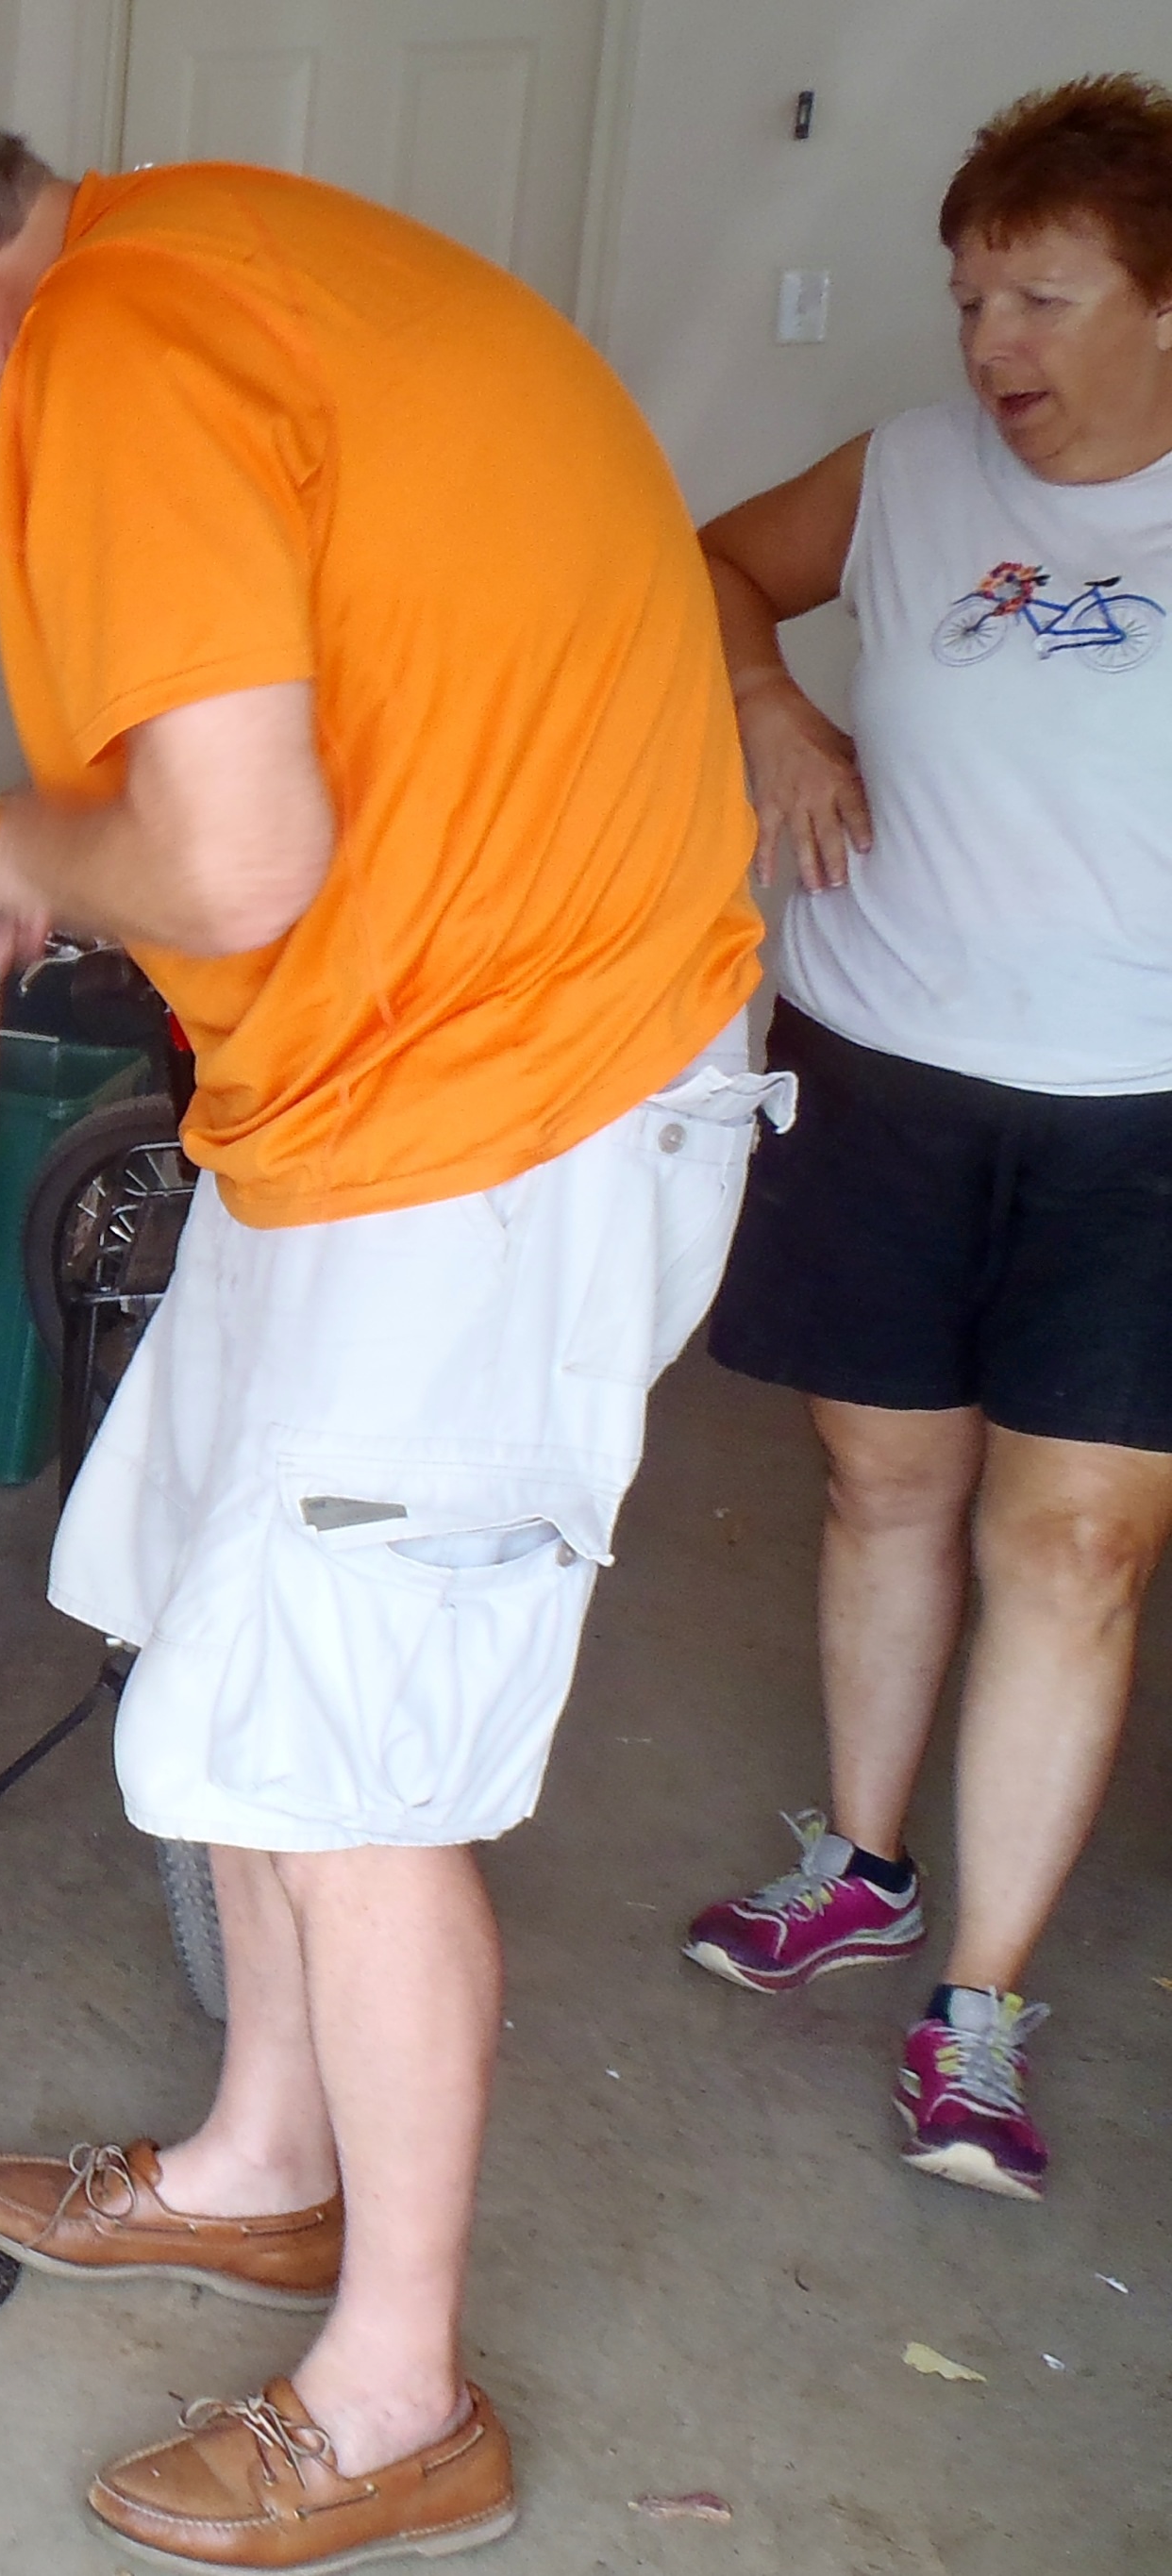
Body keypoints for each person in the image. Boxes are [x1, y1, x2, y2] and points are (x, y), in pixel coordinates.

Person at [0, 74, 770, 2572]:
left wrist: (7, 847)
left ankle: (397, 2400)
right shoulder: (190, 277)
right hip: (382, 1095)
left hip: (505, 1112)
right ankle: (268, 2158)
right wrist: (69, 852)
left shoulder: (118, 350)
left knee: (347, 1760)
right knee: (211, 1620)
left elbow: (235, 844)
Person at [679, 75, 1172, 2204]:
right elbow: (707, 559)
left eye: (1042, 297)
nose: (990, 343)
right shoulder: (904, 472)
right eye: (971, 297)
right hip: (881, 1061)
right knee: (883, 1484)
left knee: (1074, 1547)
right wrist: (771, 704)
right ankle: (863, 1868)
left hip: (1139, 1115)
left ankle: (978, 2006)